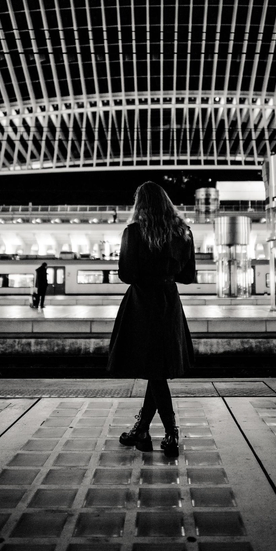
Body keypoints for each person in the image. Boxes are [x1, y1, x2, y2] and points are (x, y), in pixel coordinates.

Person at [107, 181, 196, 457]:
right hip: (168, 303)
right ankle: (141, 430)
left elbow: (126, 275)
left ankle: (170, 432)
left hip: (142, 305)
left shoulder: (133, 232)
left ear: (140, 204)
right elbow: (188, 276)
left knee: (153, 370)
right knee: (156, 368)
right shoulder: (184, 232)